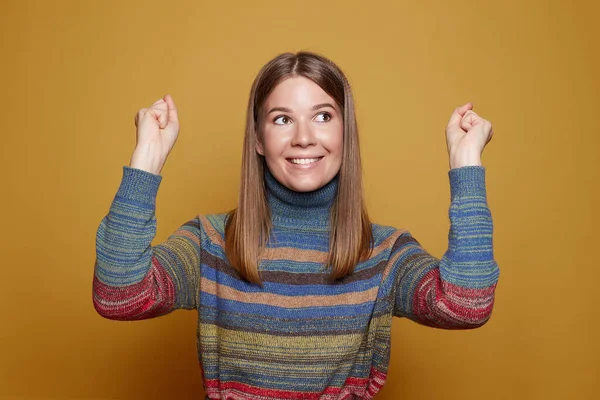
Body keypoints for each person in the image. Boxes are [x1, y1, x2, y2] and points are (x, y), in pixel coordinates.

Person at [93, 51, 499, 399]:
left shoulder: (384, 253)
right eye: (282, 119)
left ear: (345, 132)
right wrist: (147, 158)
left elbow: (466, 305)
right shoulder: (211, 243)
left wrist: (466, 166)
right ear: (258, 138)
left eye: (322, 116)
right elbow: (118, 296)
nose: (304, 137)